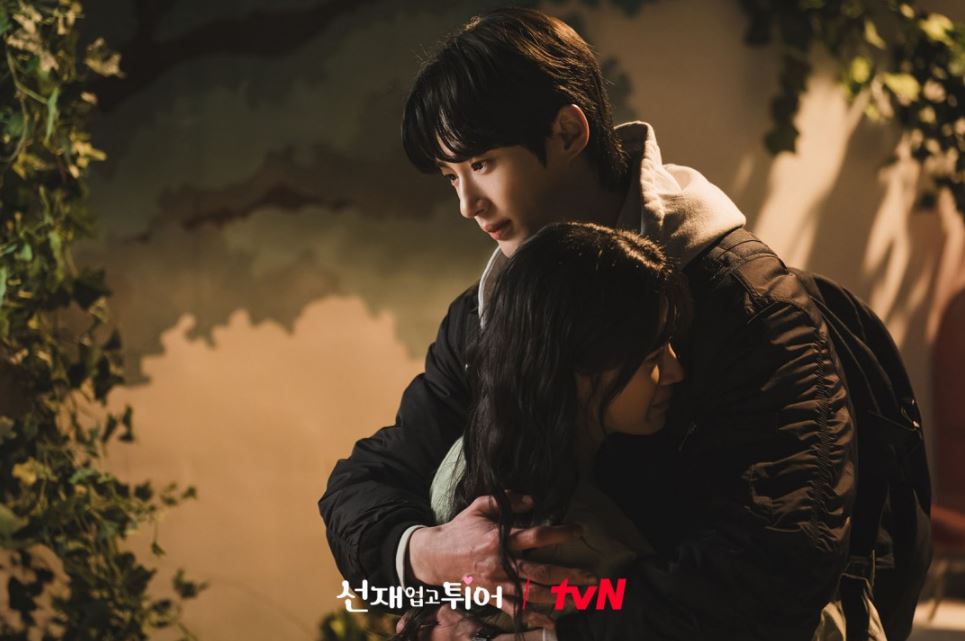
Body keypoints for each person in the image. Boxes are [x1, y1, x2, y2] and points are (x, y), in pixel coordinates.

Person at [319, 7, 855, 640]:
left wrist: (545, 626)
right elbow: (371, 479)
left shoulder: (747, 305)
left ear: (569, 132)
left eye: (482, 163)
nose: (466, 205)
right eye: (451, 176)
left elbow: (777, 566)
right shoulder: (490, 313)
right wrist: (429, 554)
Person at [392, 222, 685, 641]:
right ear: (577, 366)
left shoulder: (464, 458)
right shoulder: (582, 546)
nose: (676, 371)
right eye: (653, 357)